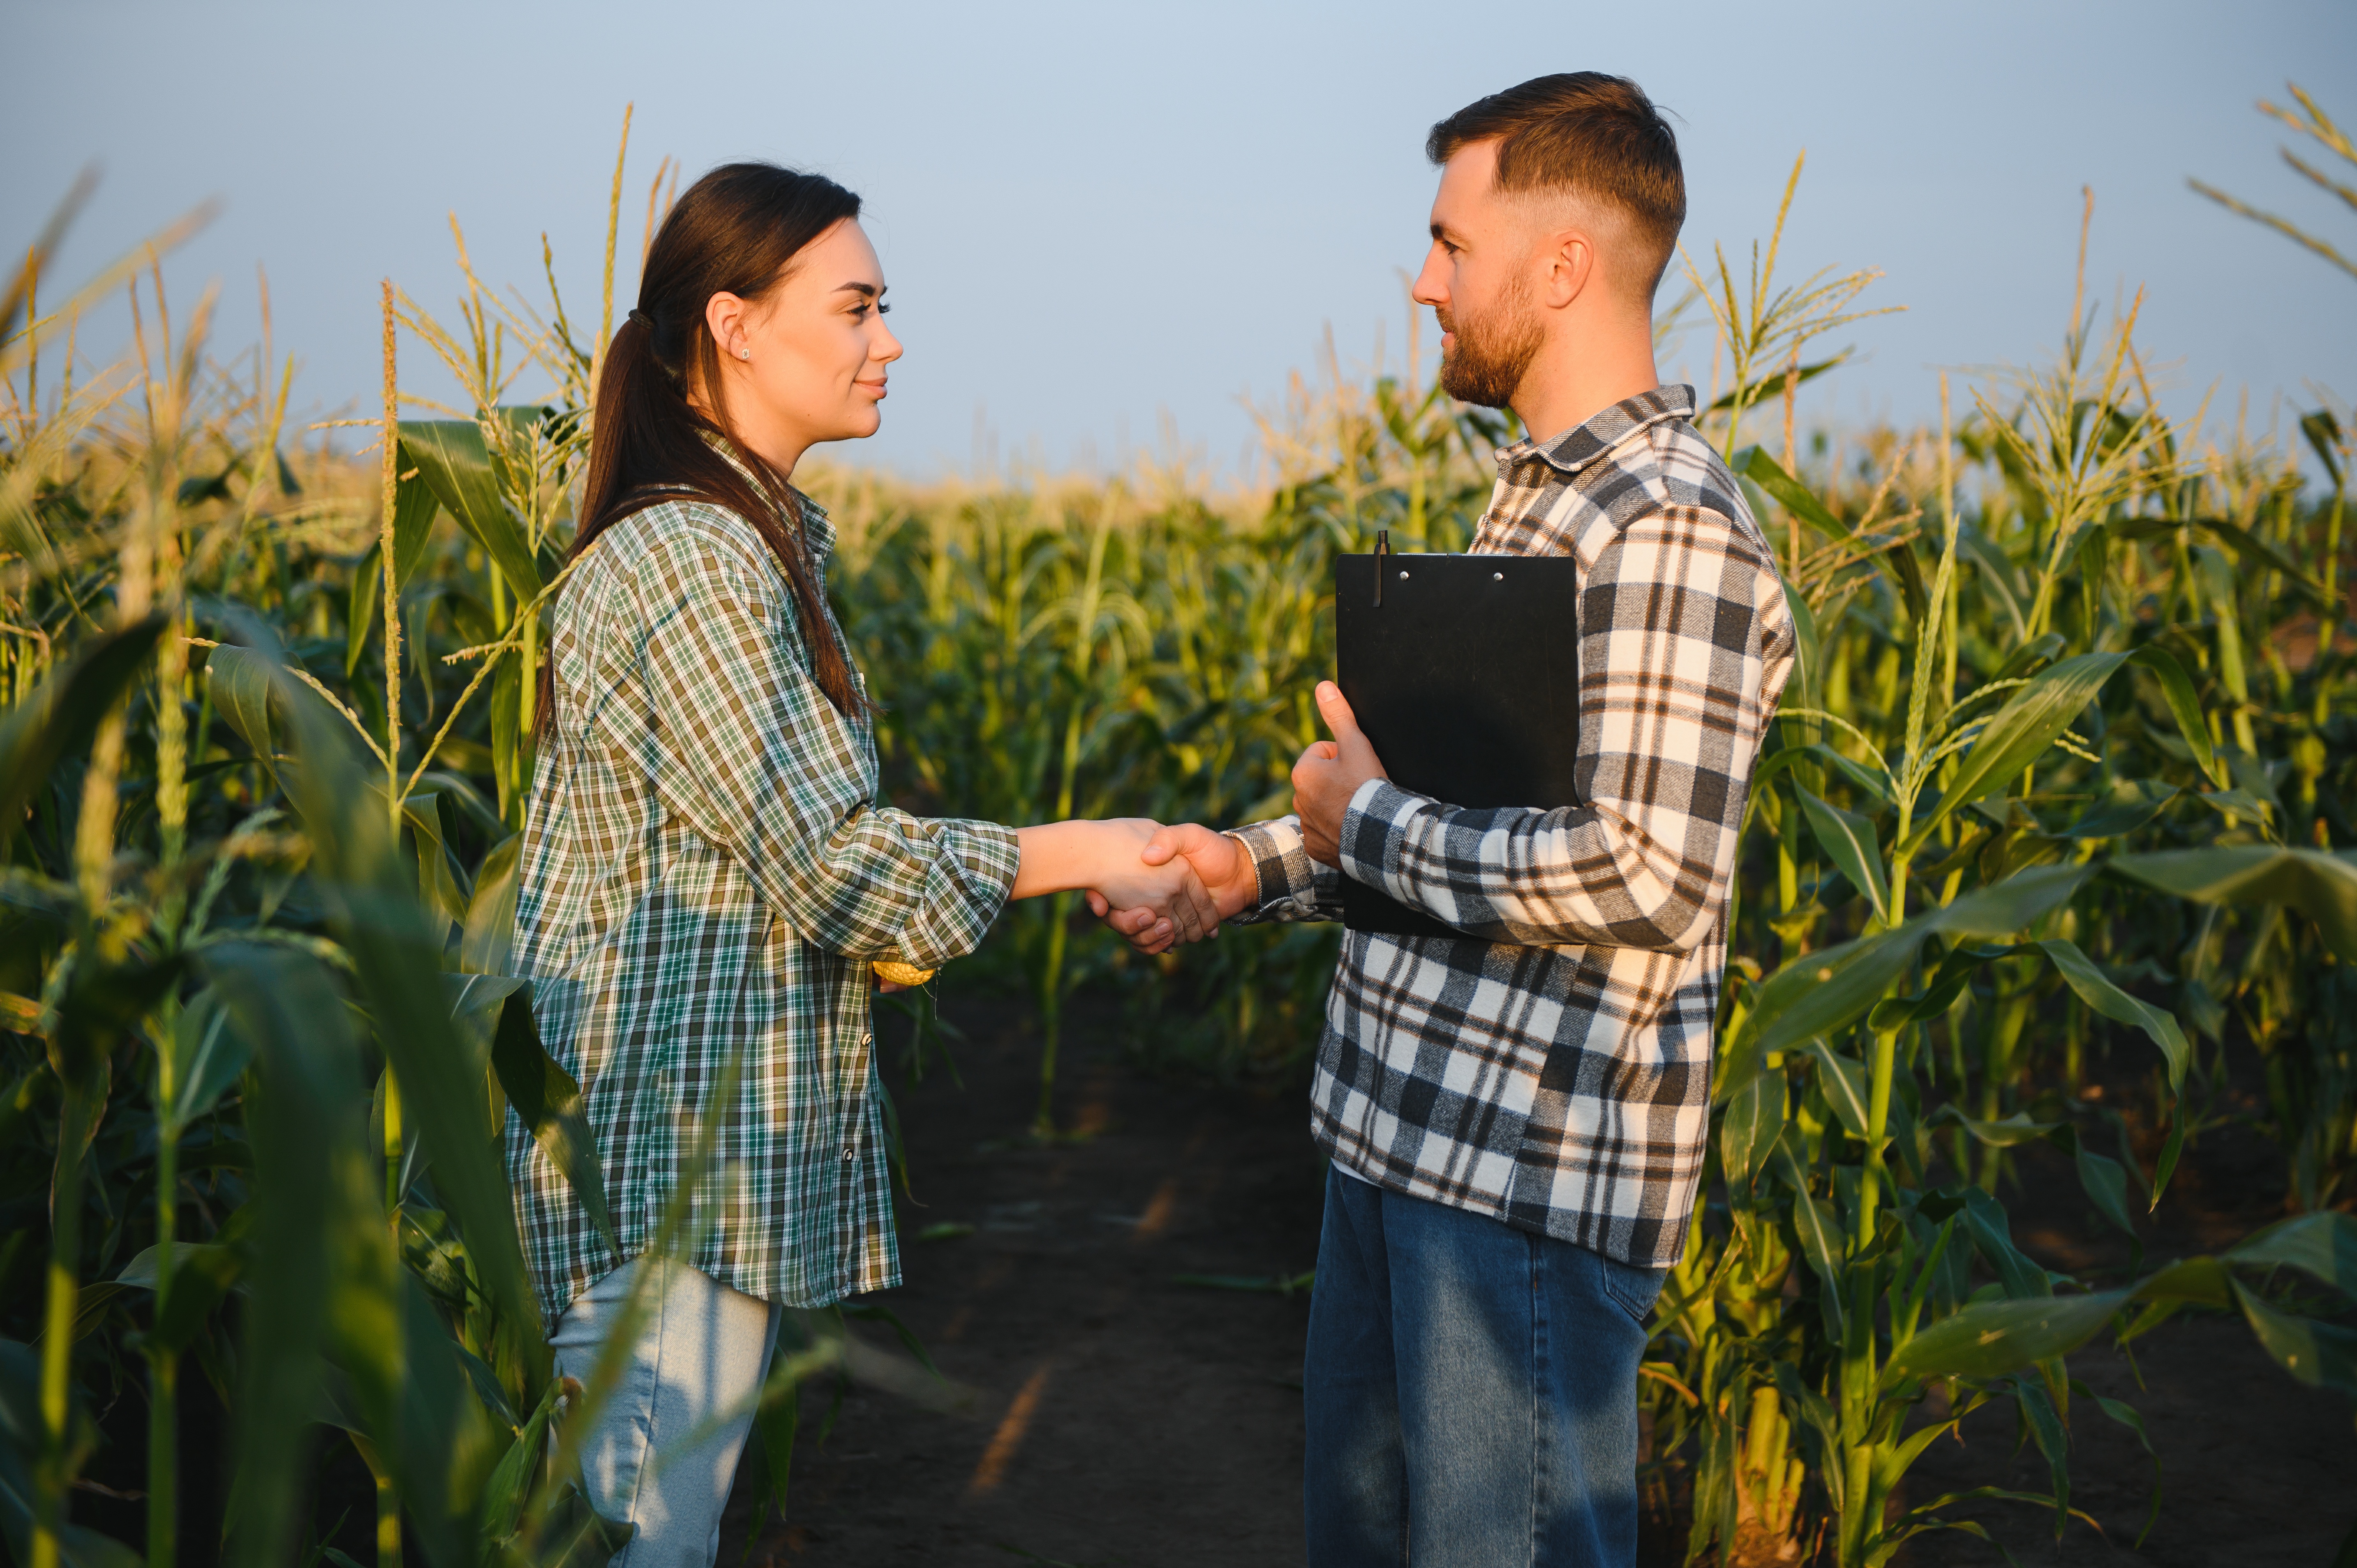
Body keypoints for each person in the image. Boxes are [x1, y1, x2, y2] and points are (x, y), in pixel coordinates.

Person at [1101, 74, 1795, 1566]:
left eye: (1448, 243)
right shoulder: (1535, 503)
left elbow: (1641, 873)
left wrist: (1368, 822)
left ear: (1560, 268)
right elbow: (1438, 824)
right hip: (1398, 1145)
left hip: (1521, 1194)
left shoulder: (1665, 524)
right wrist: (1246, 873)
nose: (1422, 282)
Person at [508, 162, 1215, 1566]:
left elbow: (750, 869)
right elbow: (824, 858)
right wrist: (1089, 851)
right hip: (657, 1181)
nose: (889, 339)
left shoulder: (739, 541)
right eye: (858, 306)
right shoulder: (701, 559)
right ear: (737, 323)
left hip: (679, 1173)